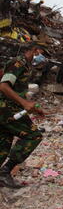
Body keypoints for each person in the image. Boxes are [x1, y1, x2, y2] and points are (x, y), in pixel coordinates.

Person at [0, 43, 48, 188]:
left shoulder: (26, 66)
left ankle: (2, 177)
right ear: (35, 50)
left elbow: (17, 92)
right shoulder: (17, 62)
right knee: (34, 135)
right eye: (43, 54)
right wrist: (24, 103)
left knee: (3, 145)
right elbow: (3, 86)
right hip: (7, 110)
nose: (43, 58)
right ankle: (5, 172)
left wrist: (32, 107)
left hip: (9, 109)